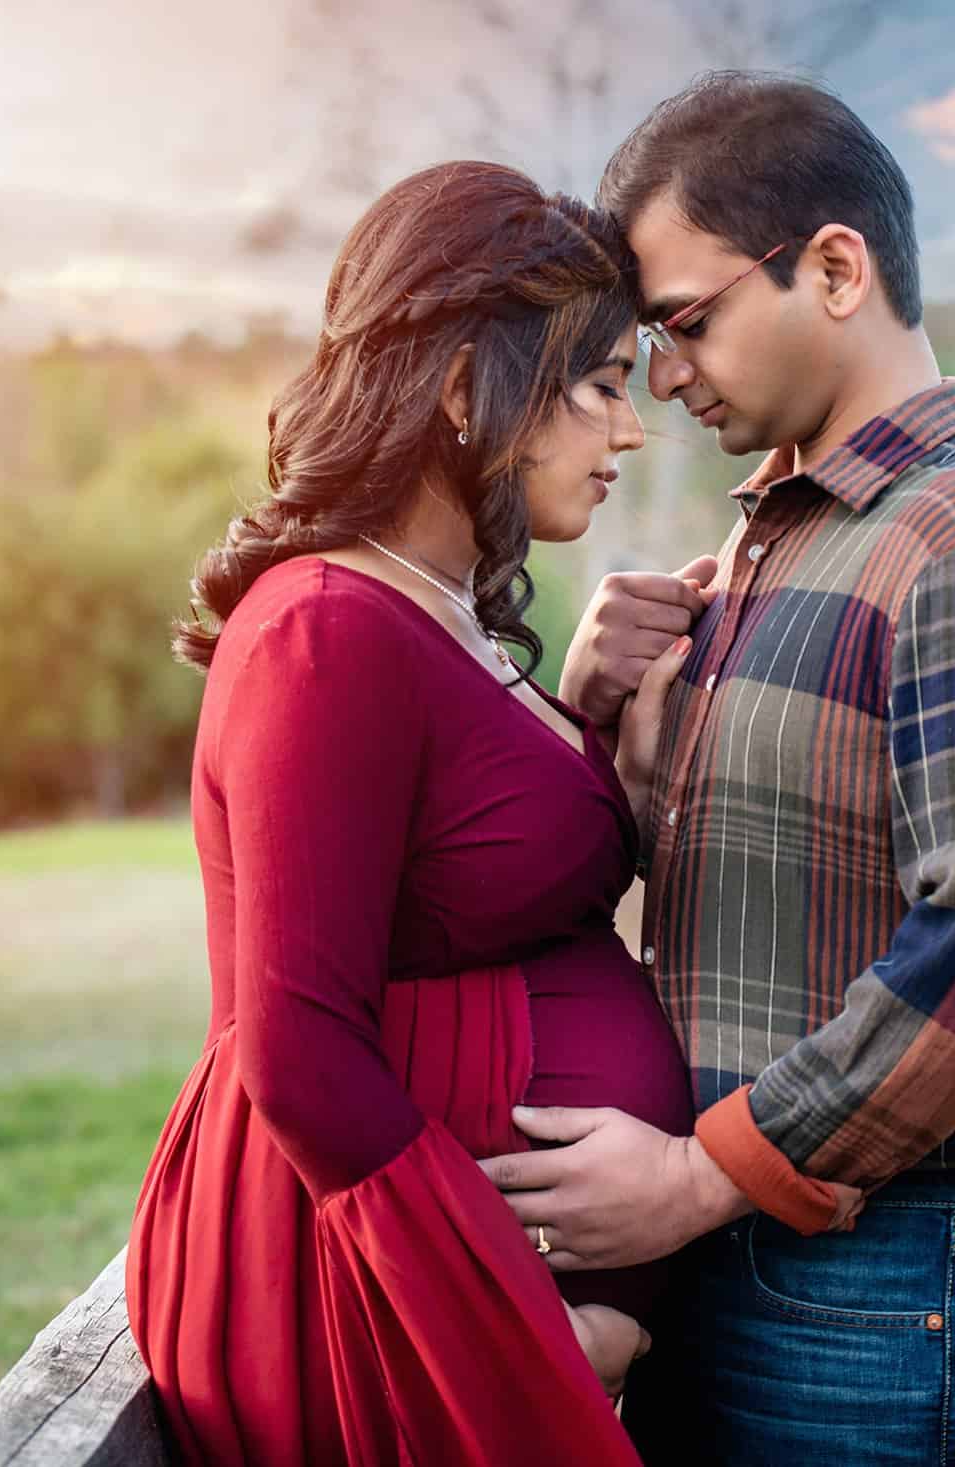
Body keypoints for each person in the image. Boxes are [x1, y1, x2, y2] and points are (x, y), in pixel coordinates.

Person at [478, 74, 955, 1465]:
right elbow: (752, 887)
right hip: (764, 1255)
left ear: (835, 269)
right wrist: (593, 718)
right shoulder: (773, 543)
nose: (664, 378)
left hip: (912, 1276)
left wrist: (695, 1177)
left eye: (687, 323)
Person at [126, 159, 694, 1467]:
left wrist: (600, 727)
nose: (628, 433)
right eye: (602, 385)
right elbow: (301, 1056)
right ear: (461, 387)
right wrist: (511, 1332)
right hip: (367, 1302)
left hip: (424, 1293)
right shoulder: (326, 631)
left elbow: (469, 866)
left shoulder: (440, 613)